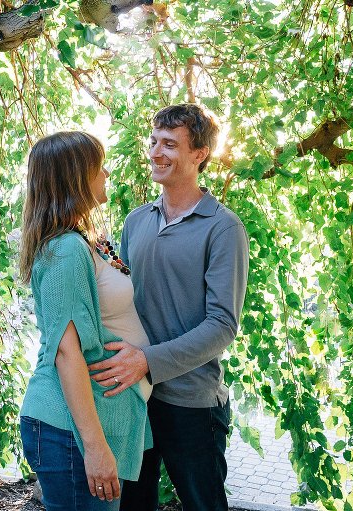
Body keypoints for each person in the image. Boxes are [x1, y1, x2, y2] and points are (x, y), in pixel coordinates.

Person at [88, 104, 249, 511]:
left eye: (170, 144)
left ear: (199, 155)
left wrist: (147, 360)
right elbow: (122, 300)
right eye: (154, 141)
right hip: (134, 395)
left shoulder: (223, 228)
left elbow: (222, 325)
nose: (156, 152)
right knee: (133, 506)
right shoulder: (136, 221)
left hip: (191, 402)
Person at [18, 131, 152, 511]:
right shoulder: (64, 249)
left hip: (86, 427)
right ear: (77, 176)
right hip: (69, 432)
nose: (107, 172)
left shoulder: (86, 240)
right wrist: (94, 448)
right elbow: (65, 353)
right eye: (99, 166)